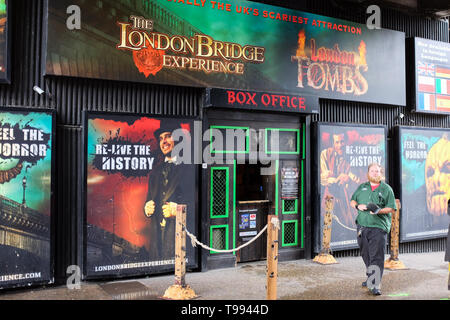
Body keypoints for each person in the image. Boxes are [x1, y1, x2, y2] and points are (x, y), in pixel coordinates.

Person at [350, 163, 397, 296]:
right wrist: (358, 206)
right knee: (366, 254)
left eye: (377, 171)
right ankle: (371, 276)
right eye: (372, 171)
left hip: (378, 228)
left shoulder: (386, 189)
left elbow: (392, 208)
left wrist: (379, 211)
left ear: (380, 173)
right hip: (362, 227)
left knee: (376, 256)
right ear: (368, 173)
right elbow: (352, 200)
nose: (375, 173)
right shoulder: (362, 187)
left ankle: (374, 284)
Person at [144, 122, 185, 261]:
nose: (164, 142)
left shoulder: (189, 168)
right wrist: (146, 208)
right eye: (161, 138)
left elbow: (200, 206)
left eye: (168, 136)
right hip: (157, 237)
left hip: (177, 236)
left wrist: (178, 210)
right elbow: (149, 199)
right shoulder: (155, 172)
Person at [320, 133, 360, 227]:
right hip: (329, 198)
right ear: (333, 143)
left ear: (345, 142)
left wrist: (348, 178)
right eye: (337, 142)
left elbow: (357, 179)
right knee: (327, 226)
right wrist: (334, 178)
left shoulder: (351, 156)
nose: (339, 145)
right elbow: (322, 178)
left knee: (347, 224)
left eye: (342, 142)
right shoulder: (325, 154)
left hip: (346, 200)